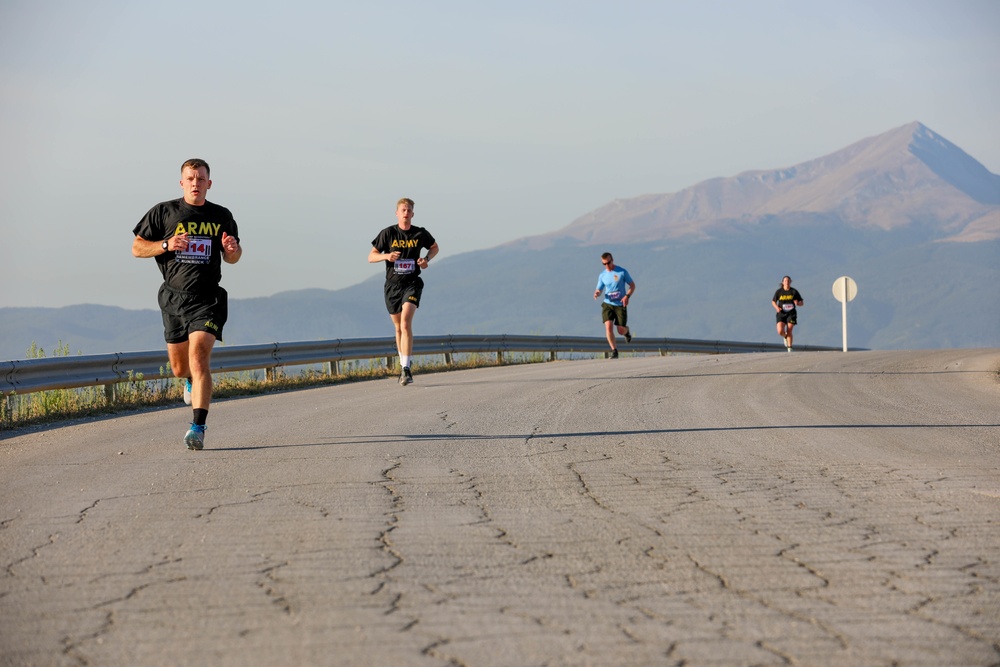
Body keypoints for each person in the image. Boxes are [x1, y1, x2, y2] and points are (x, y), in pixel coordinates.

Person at [132, 159, 242, 450]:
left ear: (209, 183)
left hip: (208, 299)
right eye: (190, 178)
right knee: (181, 368)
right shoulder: (164, 212)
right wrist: (167, 245)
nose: (196, 183)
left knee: (199, 356)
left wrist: (232, 250)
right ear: (182, 183)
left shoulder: (221, 215)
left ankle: (198, 426)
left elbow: (233, 257)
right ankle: (190, 382)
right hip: (173, 298)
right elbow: (137, 247)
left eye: (201, 178)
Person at [368, 198, 438, 385]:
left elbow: (434, 247)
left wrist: (426, 260)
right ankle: (403, 364)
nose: (406, 213)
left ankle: (406, 369)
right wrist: (387, 256)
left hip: (412, 283)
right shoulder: (388, 233)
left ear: (413, 214)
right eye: (403, 210)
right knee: (398, 328)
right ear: (397, 213)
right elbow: (371, 256)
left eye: (409, 210)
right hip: (392, 286)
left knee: (406, 324)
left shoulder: (420, 233)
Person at [593, 252, 635, 359]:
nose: (607, 265)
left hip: (620, 304)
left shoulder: (622, 272)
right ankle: (614, 350)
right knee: (608, 327)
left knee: (620, 330)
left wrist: (627, 296)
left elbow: (632, 286)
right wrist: (597, 292)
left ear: (612, 260)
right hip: (608, 303)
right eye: (604, 264)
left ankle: (627, 331)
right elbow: (599, 288)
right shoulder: (602, 275)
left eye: (608, 263)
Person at [772, 275, 804, 351]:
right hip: (781, 313)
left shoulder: (794, 291)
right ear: (783, 282)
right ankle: (785, 336)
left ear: (790, 282)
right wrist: (777, 308)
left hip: (791, 313)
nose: (787, 282)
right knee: (780, 331)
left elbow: (802, 302)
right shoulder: (779, 292)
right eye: (785, 281)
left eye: (788, 281)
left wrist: (798, 304)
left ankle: (790, 348)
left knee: (789, 330)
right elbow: (773, 301)